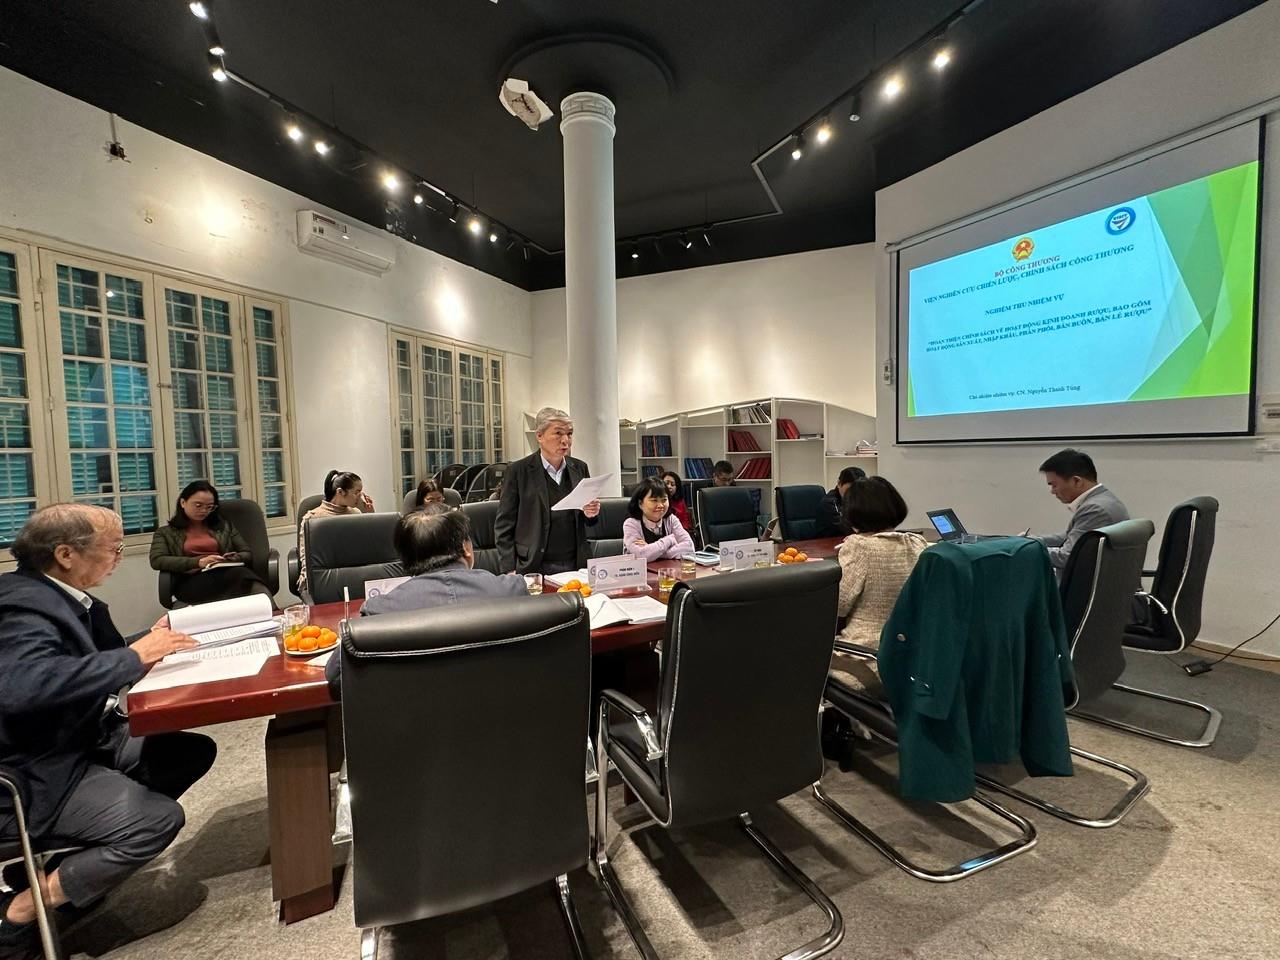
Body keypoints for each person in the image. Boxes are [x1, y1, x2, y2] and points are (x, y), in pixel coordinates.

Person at [0, 505, 215, 957]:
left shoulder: (56, 594)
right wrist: (135, 656)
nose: (119, 558)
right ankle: (20, 911)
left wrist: (149, 642)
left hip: (83, 737)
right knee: (156, 822)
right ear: (65, 554)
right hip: (36, 771)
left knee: (186, 753)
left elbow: (87, 661)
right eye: (113, 549)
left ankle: (65, 869)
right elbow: (25, 686)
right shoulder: (21, 607)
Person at [325, 505, 527, 697]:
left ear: (405, 560)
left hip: (412, 719)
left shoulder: (378, 611)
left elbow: (336, 677)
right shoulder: (512, 590)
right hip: (505, 715)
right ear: (466, 547)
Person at [830, 477, 928, 695]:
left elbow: (838, 606)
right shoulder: (917, 543)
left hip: (867, 658)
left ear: (853, 513)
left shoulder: (859, 547)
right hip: (913, 657)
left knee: (799, 653)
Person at [495, 407, 601, 574]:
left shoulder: (579, 468)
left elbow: (589, 522)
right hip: (534, 564)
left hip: (576, 562)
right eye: (558, 433)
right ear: (539, 436)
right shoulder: (518, 471)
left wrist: (591, 513)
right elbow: (504, 525)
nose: (565, 440)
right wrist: (509, 569)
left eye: (569, 434)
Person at [148, 480, 272, 604]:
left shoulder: (224, 527)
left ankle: (270, 611)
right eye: (198, 505)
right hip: (190, 580)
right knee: (243, 577)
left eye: (209, 507)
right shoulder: (165, 532)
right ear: (183, 502)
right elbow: (157, 560)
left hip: (224, 573)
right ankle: (273, 611)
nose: (204, 510)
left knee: (242, 577)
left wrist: (231, 558)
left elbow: (246, 553)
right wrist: (198, 562)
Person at [1033, 449, 1130, 573]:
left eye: (1054, 485)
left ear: (1077, 481)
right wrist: (1034, 541)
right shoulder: (1105, 498)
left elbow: (1067, 557)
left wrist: (1025, 550)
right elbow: (1069, 537)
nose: (1052, 491)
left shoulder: (1095, 509)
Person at [296, 469, 374, 596]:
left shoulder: (356, 513)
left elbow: (368, 548)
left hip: (354, 573)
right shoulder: (313, 518)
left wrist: (370, 515)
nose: (361, 497)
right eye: (357, 492)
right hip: (324, 578)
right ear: (340, 492)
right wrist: (308, 580)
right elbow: (306, 556)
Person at [623, 477, 695, 562]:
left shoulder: (671, 520)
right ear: (640, 503)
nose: (660, 505)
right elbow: (640, 556)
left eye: (664, 500)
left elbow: (689, 547)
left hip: (668, 569)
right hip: (639, 570)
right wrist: (670, 540)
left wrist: (652, 551)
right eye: (654, 500)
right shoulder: (631, 524)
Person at [815, 466, 867, 538]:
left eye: (857, 490)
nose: (853, 493)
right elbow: (844, 528)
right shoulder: (829, 503)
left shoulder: (860, 499)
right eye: (849, 489)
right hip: (828, 541)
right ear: (839, 484)